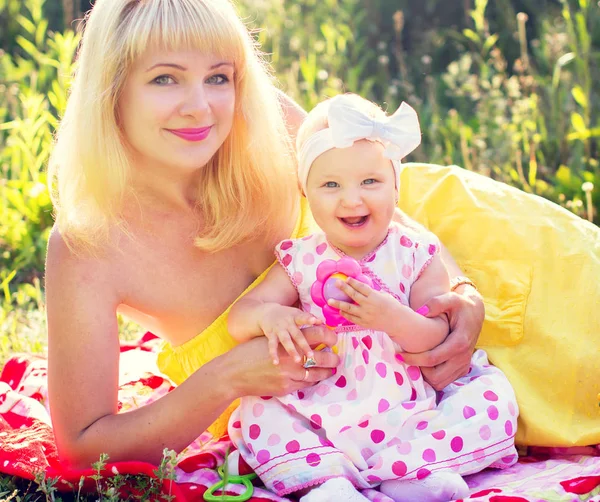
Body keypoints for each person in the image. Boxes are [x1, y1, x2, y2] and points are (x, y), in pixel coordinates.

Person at [45, 0, 484, 472]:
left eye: (218, 77)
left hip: (462, 258)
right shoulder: (88, 246)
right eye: (165, 78)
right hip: (343, 430)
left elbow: (392, 216)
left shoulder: (266, 121)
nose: (200, 108)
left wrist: (463, 295)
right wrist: (227, 378)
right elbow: (83, 447)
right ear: (111, 90)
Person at [226, 94, 518, 502]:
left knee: (490, 398)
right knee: (258, 409)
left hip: (410, 405)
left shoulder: (416, 254)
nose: (351, 199)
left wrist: (392, 318)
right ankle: (328, 483)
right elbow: (240, 317)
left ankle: (412, 473)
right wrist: (270, 317)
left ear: (396, 188)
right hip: (323, 394)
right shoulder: (301, 259)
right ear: (306, 193)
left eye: (370, 182)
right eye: (330, 184)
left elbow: (438, 339)